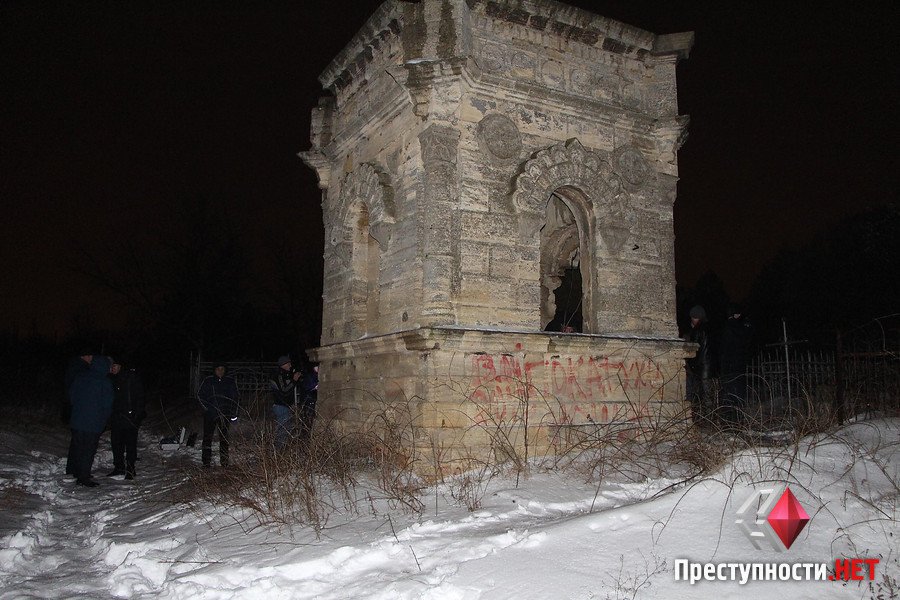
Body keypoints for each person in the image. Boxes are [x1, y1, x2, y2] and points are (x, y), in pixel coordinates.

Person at [68, 355, 115, 487]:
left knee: (79, 448)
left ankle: (78, 472)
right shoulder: (104, 382)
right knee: (88, 449)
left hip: (77, 419)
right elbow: (107, 404)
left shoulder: (80, 377)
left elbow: (72, 396)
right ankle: (83, 477)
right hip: (93, 422)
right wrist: (104, 419)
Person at [107, 361, 146, 479]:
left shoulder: (131, 377)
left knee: (130, 443)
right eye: (111, 366)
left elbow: (140, 397)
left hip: (130, 417)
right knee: (116, 443)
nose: (112, 368)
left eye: (114, 366)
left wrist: (136, 415)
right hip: (116, 416)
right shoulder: (111, 379)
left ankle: (130, 468)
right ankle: (119, 467)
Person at [197, 362, 239, 467]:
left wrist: (233, 413)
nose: (220, 371)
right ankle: (206, 462)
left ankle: (224, 462)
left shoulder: (230, 381)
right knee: (207, 438)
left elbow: (235, 398)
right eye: (218, 369)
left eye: (222, 369)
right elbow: (200, 395)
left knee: (224, 439)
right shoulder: (208, 381)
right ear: (214, 370)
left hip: (225, 415)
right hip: (210, 415)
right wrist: (208, 409)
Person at [718, 304, 753, 425]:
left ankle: (727, 422)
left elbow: (722, 350)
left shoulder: (725, 328)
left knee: (728, 395)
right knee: (738, 395)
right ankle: (737, 421)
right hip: (739, 366)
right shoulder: (743, 328)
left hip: (727, 367)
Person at [64, 349, 93, 476]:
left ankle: (73, 468)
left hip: (76, 409)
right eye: (90, 355)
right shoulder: (80, 369)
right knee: (79, 441)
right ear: (84, 356)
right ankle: (76, 469)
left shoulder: (77, 367)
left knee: (77, 440)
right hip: (78, 409)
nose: (92, 358)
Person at [685, 305, 715, 425]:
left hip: (702, 367)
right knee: (708, 396)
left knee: (702, 396)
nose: (692, 320)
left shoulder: (698, 330)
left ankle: (705, 421)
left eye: (693, 318)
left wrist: (692, 365)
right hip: (710, 367)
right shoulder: (710, 328)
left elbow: (696, 351)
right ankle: (709, 419)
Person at [270, 355, 301, 450]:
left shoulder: (285, 375)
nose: (290, 365)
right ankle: (278, 450)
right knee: (282, 430)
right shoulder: (278, 376)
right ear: (284, 364)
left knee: (287, 428)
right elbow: (284, 391)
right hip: (281, 406)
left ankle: (282, 449)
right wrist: (294, 380)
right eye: (288, 364)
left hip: (286, 405)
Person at [299, 364, 319, 442]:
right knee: (307, 422)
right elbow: (307, 386)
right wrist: (316, 386)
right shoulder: (310, 375)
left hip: (312, 401)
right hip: (308, 402)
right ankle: (305, 440)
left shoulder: (314, 375)